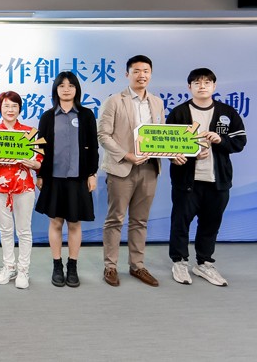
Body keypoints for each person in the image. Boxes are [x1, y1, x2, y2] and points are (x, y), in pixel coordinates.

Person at [167, 68, 247, 286]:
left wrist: (220, 140)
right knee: (180, 222)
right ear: (189, 87)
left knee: (211, 224)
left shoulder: (226, 112)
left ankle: (204, 263)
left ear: (214, 86)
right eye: (197, 83)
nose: (202, 86)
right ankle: (179, 261)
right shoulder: (179, 113)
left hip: (217, 181)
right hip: (187, 181)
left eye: (207, 82)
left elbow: (240, 142)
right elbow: (167, 145)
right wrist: (176, 157)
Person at [98, 55, 165, 287]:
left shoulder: (157, 102)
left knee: (140, 220)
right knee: (115, 219)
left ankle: (137, 265)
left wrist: (172, 152)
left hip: (149, 168)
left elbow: (162, 135)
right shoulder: (114, 101)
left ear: (151, 74)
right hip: (122, 168)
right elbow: (103, 135)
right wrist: (127, 155)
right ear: (127, 74)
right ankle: (110, 266)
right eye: (136, 71)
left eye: (146, 71)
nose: (141, 75)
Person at [35, 72, 99, 288]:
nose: (66, 89)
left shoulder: (86, 115)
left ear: (76, 89)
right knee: (55, 222)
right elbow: (40, 148)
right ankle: (57, 265)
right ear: (56, 89)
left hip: (78, 178)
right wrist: (40, 175)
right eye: (61, 85)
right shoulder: (47, 117)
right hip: (53, 178)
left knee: (74, 222)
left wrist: (92, 173)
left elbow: (93, 146)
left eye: (71, 85)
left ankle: (72, 266)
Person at [0, 91, 41, 290]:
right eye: (6, 106)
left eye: (14, 106)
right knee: (5, 230)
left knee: (24, 230)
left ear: (20, 109)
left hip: (24, 188)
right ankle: (9, 267)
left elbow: (40, 163)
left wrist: (32, 163)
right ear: (0, 108)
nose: (10, 110)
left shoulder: (31, 133)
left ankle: (24, 269)